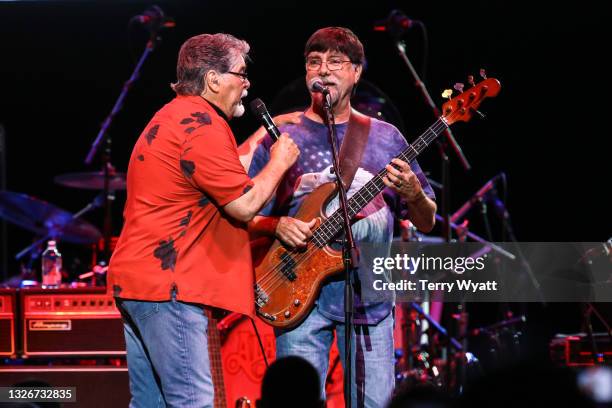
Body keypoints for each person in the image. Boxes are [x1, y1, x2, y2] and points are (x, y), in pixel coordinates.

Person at [247, 27, 437, 407]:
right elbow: (246, 212)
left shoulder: (385, 137)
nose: (324, 70)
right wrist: (277, 224)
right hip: (296, 294)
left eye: (335, 62)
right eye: (314, 62)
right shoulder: (282, 137)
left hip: (369, 299)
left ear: (356, 72)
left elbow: (428, 220)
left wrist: (415, 194)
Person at [107, 33, 299, 407]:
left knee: (151, 404)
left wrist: (271, 222)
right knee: (192, 401)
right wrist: (279, 162)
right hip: (170, 288)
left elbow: (205, 202)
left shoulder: (173, 117)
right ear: (213, 79)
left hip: (140, 285)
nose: (246, 84)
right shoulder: (201, 124)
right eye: (241, 74)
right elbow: (243, 205)